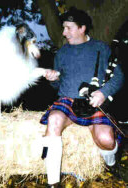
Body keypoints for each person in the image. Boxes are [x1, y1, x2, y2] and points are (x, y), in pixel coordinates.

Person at [40, 7, 124, 188]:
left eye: (68, 28)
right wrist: (53, 79)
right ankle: (53, 182)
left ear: (82, 28)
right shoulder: (61, 53)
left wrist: (103, 92)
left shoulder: (101, 48)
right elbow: (57, 85)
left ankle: (111, 164)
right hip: (67, 102)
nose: (63, 33)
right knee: (53, 119)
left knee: (107, 141)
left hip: (93, 103)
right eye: (63, 28)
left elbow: (119, 77)